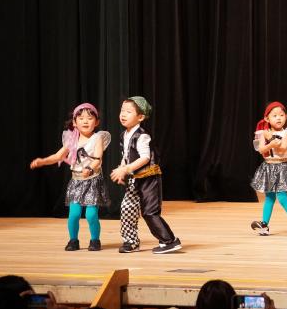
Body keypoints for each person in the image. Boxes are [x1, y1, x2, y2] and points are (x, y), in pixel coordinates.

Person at [30, 103, 110, 251]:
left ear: (96, 122)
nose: (85, 121)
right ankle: (73, 240)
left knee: (91, 215)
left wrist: (89, 168)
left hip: (92, 180)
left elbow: (98, 159)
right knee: (74, 214)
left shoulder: (97, 138)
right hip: (76, 181)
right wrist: (43, 161)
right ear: (74, 122)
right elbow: (58, 156)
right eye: (81, 118)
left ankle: (95, 240)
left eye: (90, 118)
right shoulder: (72, 139)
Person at [110, 96, 182, 254]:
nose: (123, 114)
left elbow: (145, 158)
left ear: (140, 117)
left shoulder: (142, 136)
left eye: (128, 111)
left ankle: (169, 241)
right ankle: (131, 242)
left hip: (149, 179)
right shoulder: (124, 135)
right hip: (134, 179)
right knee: (127, 209)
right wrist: (122, 168)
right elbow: (126, 156)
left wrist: (126, 169)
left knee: (149, 212)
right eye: (122, 110)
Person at [250, 101, 287, 236]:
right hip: (269, 167)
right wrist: (270, 143)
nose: (278, 118)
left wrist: (272, 140)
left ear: (286, 117)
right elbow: (261, 149)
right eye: (274, 115)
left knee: (282, 197)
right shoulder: (264, 133)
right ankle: (264, 224)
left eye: (281, 115)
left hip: (282, 167)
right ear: (267, 118)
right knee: (269, 197)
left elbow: (282, 150)